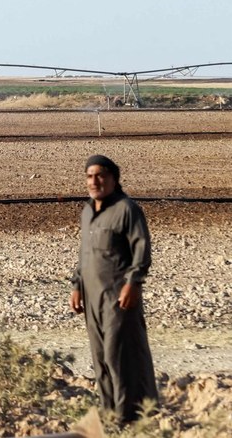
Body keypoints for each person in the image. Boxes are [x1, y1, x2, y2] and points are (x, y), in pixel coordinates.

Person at [70, 155, 158, 424]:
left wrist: (133, 283)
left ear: (113, 178)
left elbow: (141, 249)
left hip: (118, 296)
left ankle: (129, 416)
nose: (94, 181)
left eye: (100, 175)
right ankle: (109, 414)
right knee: (100, 357)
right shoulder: (88, 212)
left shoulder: (126, 209)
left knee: (119, 354)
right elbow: (84, 254)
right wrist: (76, 285)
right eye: (89, 176)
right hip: (92, 296)